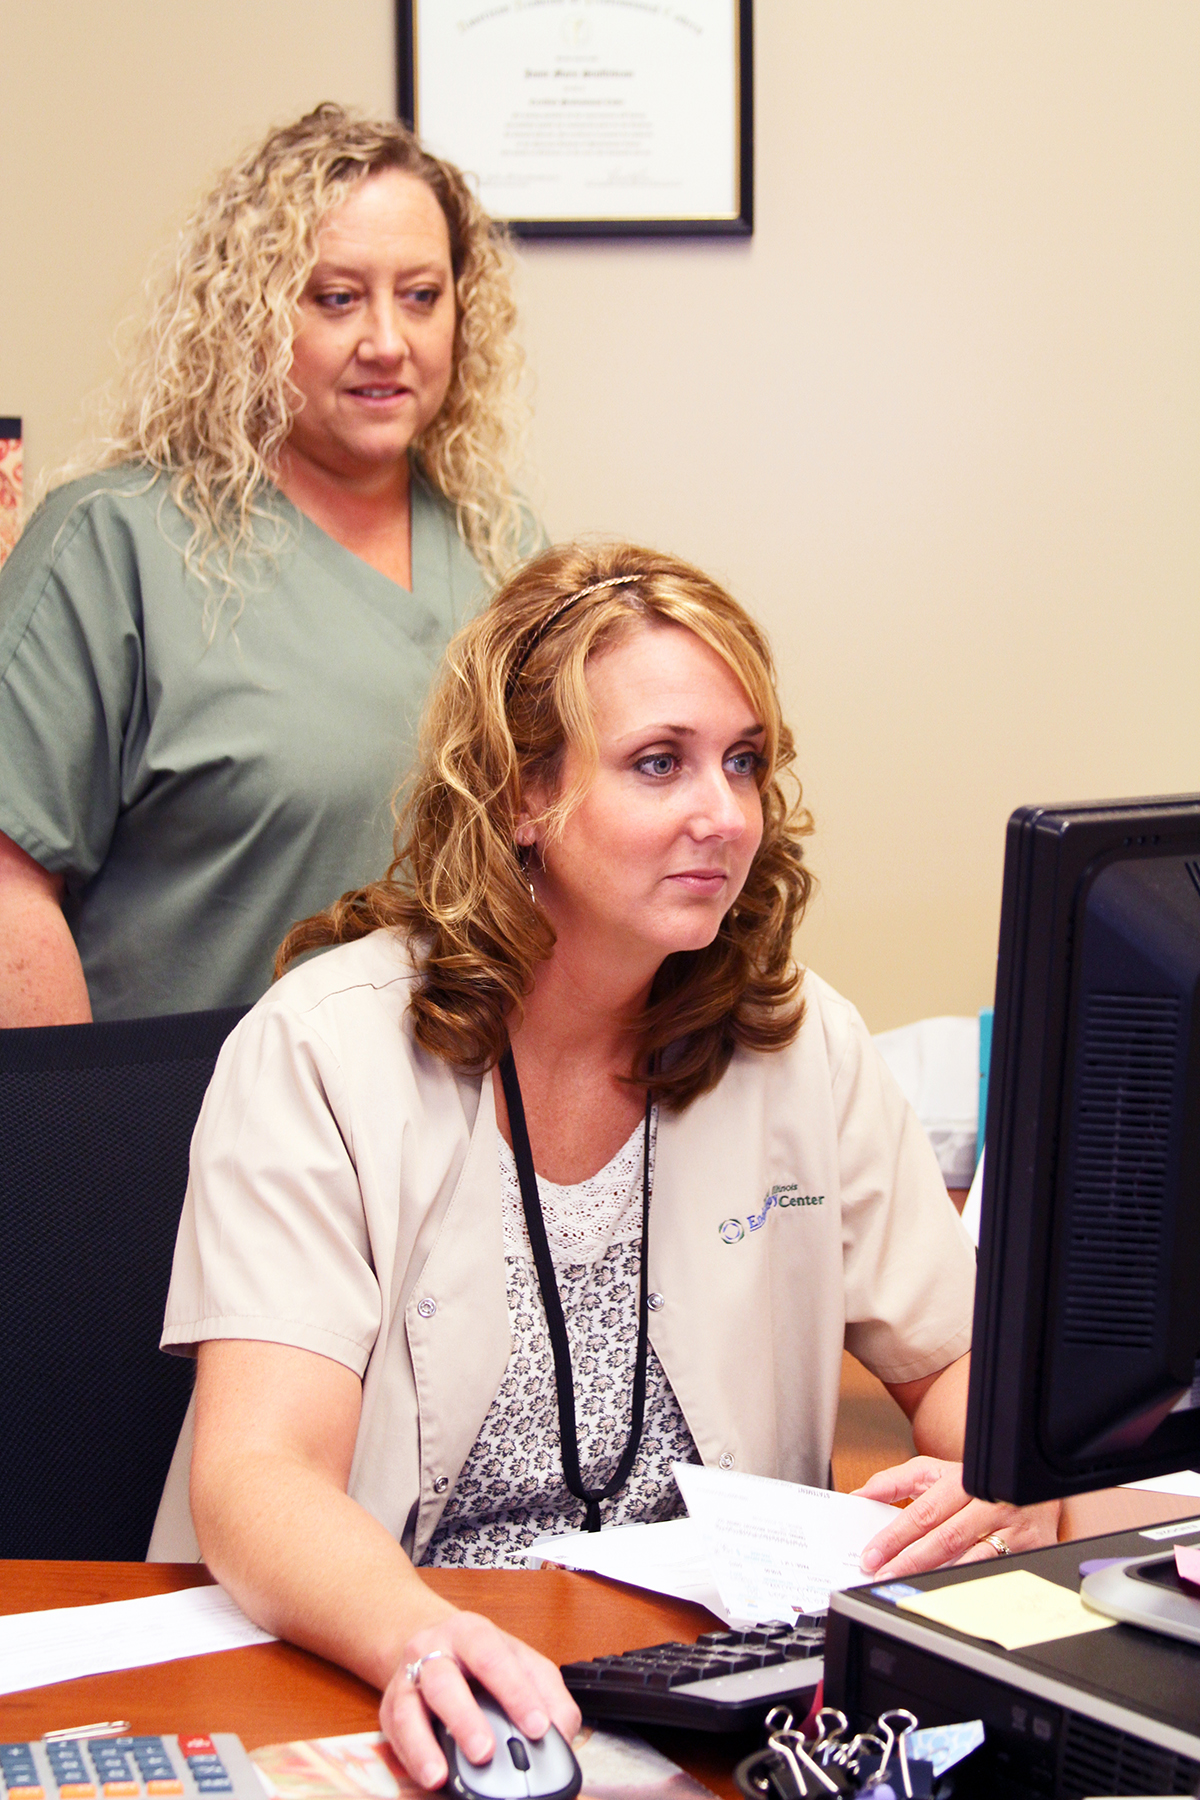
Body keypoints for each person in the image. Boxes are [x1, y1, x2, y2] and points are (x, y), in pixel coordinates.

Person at [150, 541, 1059, 1783]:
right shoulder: (323, 1050)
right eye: (659, 764)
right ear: (523, 795)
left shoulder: (804, 1046)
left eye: (743, 763)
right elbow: (260, 1473)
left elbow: (953, 1358)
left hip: (711, 1698)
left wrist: (996, 1477)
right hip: (386, 1672)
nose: (723, 814)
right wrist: (422, 1638)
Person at [0, 103, 533, 1026]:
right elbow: (10, 891)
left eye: (421, 295)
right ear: (250, 313)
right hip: (173, 1132)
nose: (387, 342)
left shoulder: (503, 546)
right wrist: (79, 1146)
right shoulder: (113, 542)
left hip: (445, 1132)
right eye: (335, 297)